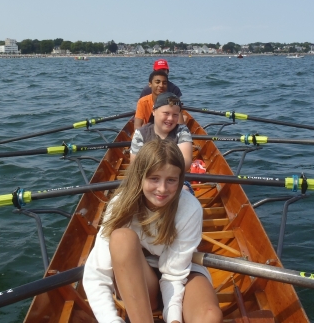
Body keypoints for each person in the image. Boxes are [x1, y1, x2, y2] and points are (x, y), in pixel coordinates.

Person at [83, 139, 222, 323]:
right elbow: (97, 275)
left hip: (181, 275)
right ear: (140, 176)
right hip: (140, 279)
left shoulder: (190, 208)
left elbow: (174, 275)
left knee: (210, 317)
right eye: (154, 178)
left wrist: (173, 319)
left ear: (180, 180)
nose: (162, 189)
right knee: (121, 238)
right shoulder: (119, 206)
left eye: (171, 180)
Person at [131, 92, 191, 172]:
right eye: (166, 113)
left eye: (175, 115)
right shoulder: (140, 133)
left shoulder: (182, 130)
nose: (170, 118)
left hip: (173, 178)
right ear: (154, 111)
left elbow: (186, 162)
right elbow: (135, 165)